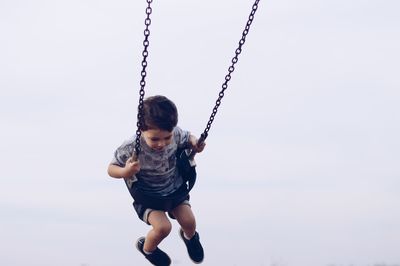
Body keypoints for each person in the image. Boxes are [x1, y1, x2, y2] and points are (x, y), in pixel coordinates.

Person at [107, 95, 205, 265]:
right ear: (141, 130)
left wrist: (195, 143)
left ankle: (190, 238)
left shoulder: (175, 134)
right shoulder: (131, 147)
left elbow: (188, 137)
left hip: (174, 190)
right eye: (155, 139)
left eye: (167, 138)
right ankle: (148, 249)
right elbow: (111, 169)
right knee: (163, 228)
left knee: (189, 222)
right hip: (148, 198)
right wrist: (126, 170)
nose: (162, 144)